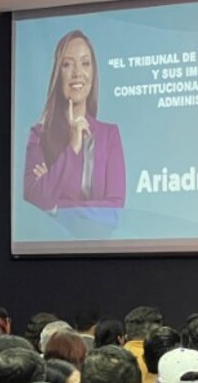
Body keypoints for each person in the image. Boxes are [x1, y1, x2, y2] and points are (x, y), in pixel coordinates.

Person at [23, 30, 126, 235]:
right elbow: (35, 199)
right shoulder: (38, 135)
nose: (77, 72)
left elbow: (114, 212)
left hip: (104, 253)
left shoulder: (109, 135)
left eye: (85, 63)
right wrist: (73, 147)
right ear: (57, 73)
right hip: (50, 251)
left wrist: (57, 207)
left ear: (93, 72)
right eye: (67, 64)